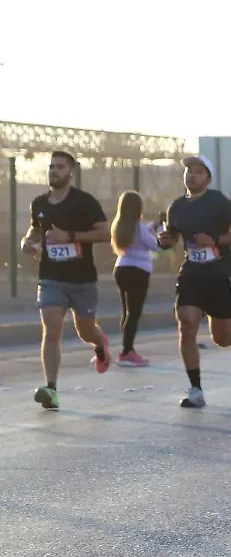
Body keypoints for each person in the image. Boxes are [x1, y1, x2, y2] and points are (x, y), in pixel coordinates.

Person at [156, 154, 231, 409]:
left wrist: (216, 240)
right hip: (191, 273)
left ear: (208, 178)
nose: (192, 175)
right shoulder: (176, 207)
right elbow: (174, 239)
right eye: (189, 171)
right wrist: (165, 241)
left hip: (220, 275)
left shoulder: (218, 202)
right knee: (186, 324)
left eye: (199, 172)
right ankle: (195, 389)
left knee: (220, 336)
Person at [21, 151, 112, 410]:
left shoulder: (85, 202)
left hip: (82, 280)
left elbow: (105, 233)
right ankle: (51, 388)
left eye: (59, 167)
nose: (53, 171)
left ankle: (100, 342)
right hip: (51, 278)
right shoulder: (39, 203)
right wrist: (28, 243)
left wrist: (70, 236)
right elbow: (35, 231)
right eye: (51, 167)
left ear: (71, 172)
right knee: (51, 330)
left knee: (85, 330)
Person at [110, 190, 162, 367]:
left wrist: (153, 224)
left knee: (127, 312)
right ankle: (126, 352)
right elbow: (156, 245)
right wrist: (162, 229)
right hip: (138, 271)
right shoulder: (137, 226)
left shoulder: (120, 225)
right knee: (134, 313)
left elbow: (140, 236)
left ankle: (126, 349)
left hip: (121, 269)